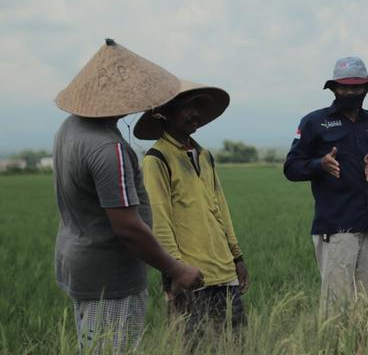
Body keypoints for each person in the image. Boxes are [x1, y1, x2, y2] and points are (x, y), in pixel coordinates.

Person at [53, 39, 203, 353]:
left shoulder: (69, 128)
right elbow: (127, 227)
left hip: (79, 265)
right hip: (111, 278)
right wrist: (175, 269)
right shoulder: (109, 149)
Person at [283, 56, 368, 313]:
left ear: (367, 88)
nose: (351, 92)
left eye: (357, 87)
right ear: (334, 88)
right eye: (345, 87)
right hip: (336, 228)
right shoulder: (314, 122)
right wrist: (319, 165)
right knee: (336, 307)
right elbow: (291, 167)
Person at [133, 79, 248, 336]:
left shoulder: (204, 155)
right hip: (190, 277)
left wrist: (237, 257)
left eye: (198, 107)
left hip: (224, 272)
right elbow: (160, 221)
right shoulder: (157, 159)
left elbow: (221, 209)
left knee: (236, 344)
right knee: (193, 346)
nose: (195, 113)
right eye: (186, 106)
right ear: (164, 113)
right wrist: (174, 270)